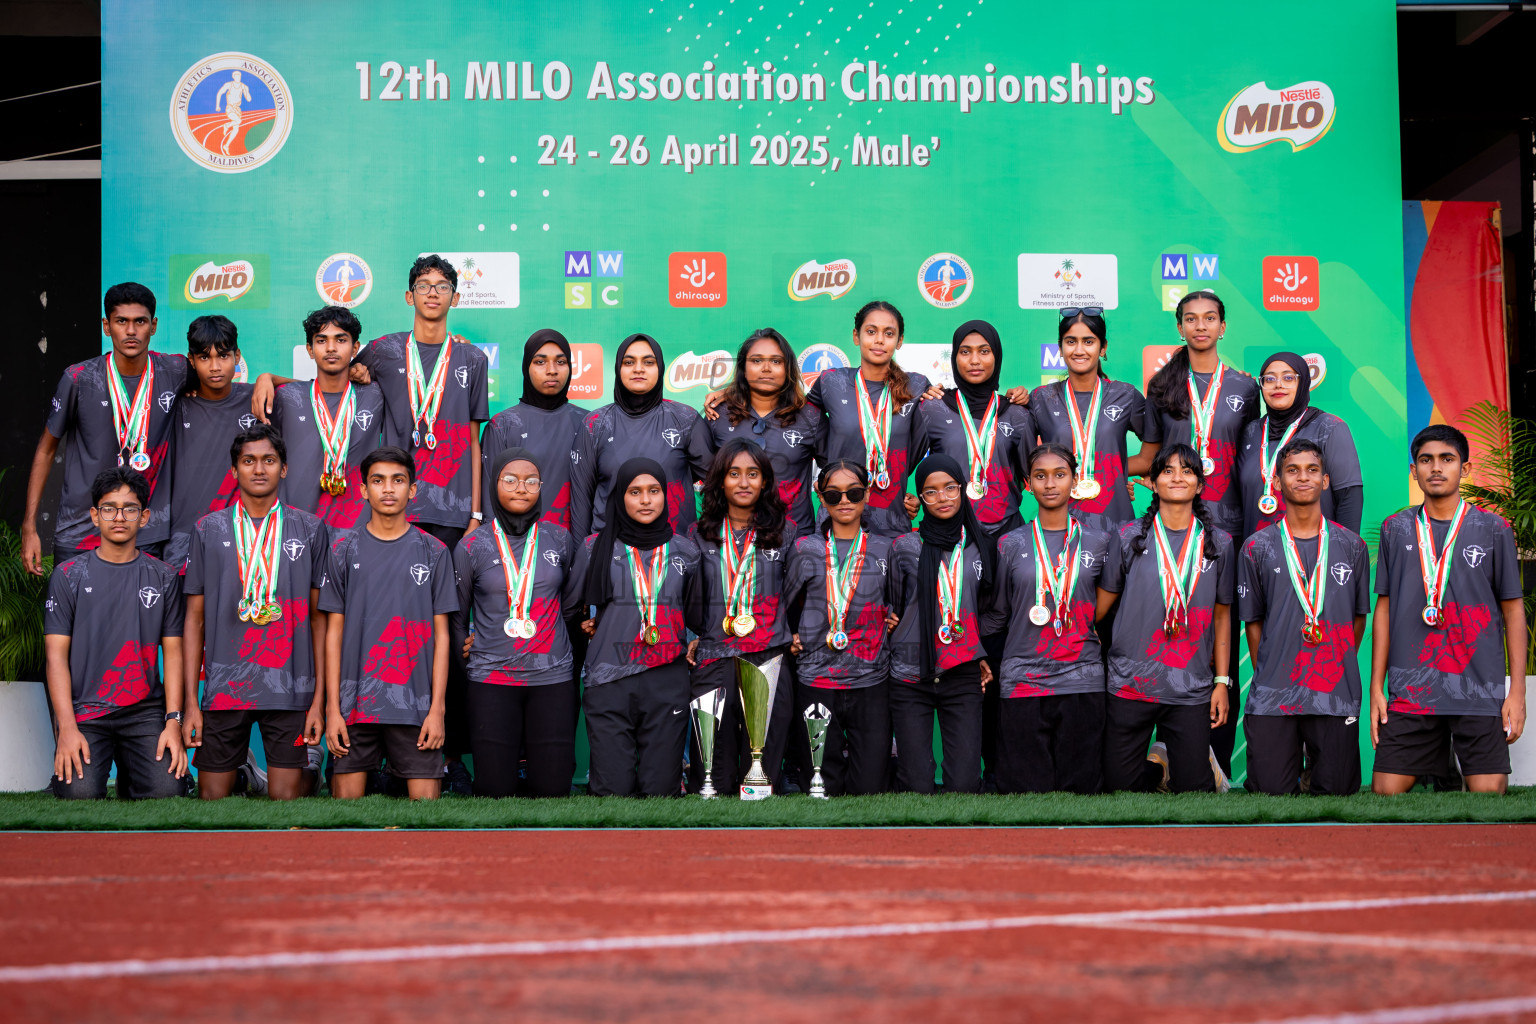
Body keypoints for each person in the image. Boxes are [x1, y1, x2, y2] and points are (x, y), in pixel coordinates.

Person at [1369, 425, 1527, 795]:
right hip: (1412, 689)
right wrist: (1378, 687)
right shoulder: (1396, 528)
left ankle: (1451, 774)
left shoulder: (1494, 528)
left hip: (1477, 686)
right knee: (1386, 793)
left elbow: (1513, 611)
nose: (1436, 468)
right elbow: (1385, 610)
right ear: (1414, 471)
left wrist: (1516, 692)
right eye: (1426, 460)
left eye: (1447, 459)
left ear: (1465, 469)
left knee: (1488, 795)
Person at [182, 425, 329, 800]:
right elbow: (194, 619)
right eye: (249, 461)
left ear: (284, 468)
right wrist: (190, 704)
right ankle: (245, 770)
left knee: (287, 797)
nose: (259, 469)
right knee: (212, 796)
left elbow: (319, 619)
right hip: (225, 686)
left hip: (289, 686)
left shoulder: (310, 529)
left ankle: (309, 768)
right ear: (234, 470)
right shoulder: (207, 529)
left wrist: (318, 701)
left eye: (269, 460)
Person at [1144, 289, 1257, 779]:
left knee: (1219, 637)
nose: (1200, 327)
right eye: (1190, 319)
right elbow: (1150, 456)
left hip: (1226, 529)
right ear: (1180, 328)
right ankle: (1170, 752)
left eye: (1210, 318)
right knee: (1167, 630)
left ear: (1224, 326)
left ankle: (1215, 759)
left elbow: (1259, 462)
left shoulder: (1247, 388)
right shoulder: (1161, 387)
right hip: (1171, 529)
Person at [321, 447, 458, 800]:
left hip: (414, 706)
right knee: (345, 816)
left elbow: (442, 637)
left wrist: (437, 710)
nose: (388, 489)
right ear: (364, 489)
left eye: (398, 481)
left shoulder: (434, 551)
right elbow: (333, 634)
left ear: (412, 490)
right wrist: (332, 709)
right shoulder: (342, 549)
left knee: (427, 814)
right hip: (354, 708)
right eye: (378, 481)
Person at [23, 283, 188, 574]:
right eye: (121, 321)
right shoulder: (79, 378)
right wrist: (30, 526)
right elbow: (46, 450)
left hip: (146, 534)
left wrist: (268, 379)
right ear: (106, 326)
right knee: (77, 619)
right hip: (82, 531)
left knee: (141, 621)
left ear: (154, 326)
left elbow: (224, 387)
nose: (131, 330)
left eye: (140, 321)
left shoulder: (175, 371)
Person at [44, 466, 187, 799]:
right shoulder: (68, 576)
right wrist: (66, 727)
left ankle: (134, 771)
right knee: (78, 795)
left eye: (130, 509)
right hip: (85, 711)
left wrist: (173, 721)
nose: (119, 517)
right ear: (95, 515)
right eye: (109, 508)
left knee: (168, 790)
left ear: (145, 516)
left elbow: (175, 654)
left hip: (144, 711)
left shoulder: (164, 578)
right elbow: (55, 658)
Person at [1238, 438, 1371, 796]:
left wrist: (1333, 659)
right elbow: (1254, 623)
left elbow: (1357, 619)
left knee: (1338, 792)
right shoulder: (1256, 547)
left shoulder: (1352, 546)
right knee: (1269, 792)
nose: (1303, 478)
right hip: (1274, 692)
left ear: (1325, 481)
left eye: (1313, 470)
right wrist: (1275, 664)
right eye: (1292, 470)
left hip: (1334, 690)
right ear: (1277, 481)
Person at [1100, 444, 1235, 793]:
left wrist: (1222, 680)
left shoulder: (1219, 543)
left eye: (1187, 471)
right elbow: (1104, 602)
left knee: (1194, 791)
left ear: (1200, 485)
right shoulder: (1128, 537)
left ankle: (1198, 764)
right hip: (1131, 681)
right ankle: (1161, 768)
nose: (1177, 477)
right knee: (1120, 787)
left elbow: (1223, 615)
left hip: (1189, 685)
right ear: (1153, 482)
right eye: (1168, 471)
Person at [452, 449, 583, 798]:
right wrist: (467, 656)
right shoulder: (472, 546)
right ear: (495, 485)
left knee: (552, 790)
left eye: (530, 481)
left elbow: (569, 606)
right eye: (510, 480)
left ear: (542, 487)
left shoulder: (559, 539)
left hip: (552, 675)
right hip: (490, 676)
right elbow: (456, 616)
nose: (521, 488)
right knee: (494, 789)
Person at [990, 444, 1120, 794]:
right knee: (1025, 793)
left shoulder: (1100, 542)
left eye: (1060, 475)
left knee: (1080, 792)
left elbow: (1103, 605)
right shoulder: (1009, 544)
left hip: (1082, 676)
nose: (1050, 484)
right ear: (1027, 484)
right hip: (1023, 678)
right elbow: (1001, 613)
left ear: (1074, 482)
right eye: (1040, 476)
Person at [574, 458, 704, 796]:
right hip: (609, 678)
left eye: (654, 491)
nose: (645, 500)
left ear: (665, 496)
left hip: (666, 677)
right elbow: (571, 609)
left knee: (660, 793)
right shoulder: (594, 548)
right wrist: (591, 624)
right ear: (620, 497)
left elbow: (696, 616)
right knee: (612, 792)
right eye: (635, 492)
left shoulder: (686, 551)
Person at [686, 440, 798, 795]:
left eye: (753, 473)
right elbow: (687, 596)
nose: (744, 482)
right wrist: (692, 633)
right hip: (714, 654)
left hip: (768, 654)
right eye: (734, 474)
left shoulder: (787, 533)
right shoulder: (698, 534)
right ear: (719, 481)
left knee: (760, 774)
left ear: (765, 481)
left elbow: (796, 595)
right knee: (713, 779)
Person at [783, 461, 897, 795]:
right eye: (834, 495)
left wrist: (891, 616)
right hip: (816, 677)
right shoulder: (806, 549)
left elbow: (897, 601)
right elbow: (785, 603)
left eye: (854, 493)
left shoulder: (885, 548)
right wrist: (789, 635)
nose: (844, 501)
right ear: (821, 498)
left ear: (867, 496)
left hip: (871, 678)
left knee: (869, 788)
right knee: (820, 786)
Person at [888, 454, 996, 794]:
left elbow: (994, 610)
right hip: (909, 673)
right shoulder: (904, 547)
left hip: (962, 671)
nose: (942, 498)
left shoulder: (982, 547)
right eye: (930, 492)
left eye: (950, 487)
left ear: (962, 489)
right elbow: (894, 604)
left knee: (964, 785)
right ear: (920, 498)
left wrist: (975, 649)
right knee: (917, 786)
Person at [804, 302, 930, 538]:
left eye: (889, 333)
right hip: (837, 517)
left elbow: (929, 436)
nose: (879, 340)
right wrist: (831, 463)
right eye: (871, 332)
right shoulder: (832, 381)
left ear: (900, 341)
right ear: (856, 336)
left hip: (891, 517)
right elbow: (795, 416)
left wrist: (900, 481)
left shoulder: (917, 386)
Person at [1027, 309, 1157, 533]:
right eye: (1070, 341)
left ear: (1103, 347)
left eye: (1088, 341)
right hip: (1060, 520)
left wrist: (1114, 472)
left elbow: (1151, 456)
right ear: (1060, 348)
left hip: (1114, 519)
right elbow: (1023, 459)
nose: (1079, 350)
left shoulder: (1125, 395)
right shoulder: (1041, 398)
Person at [910, 320, 1035, 536]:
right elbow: (900, 462)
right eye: (965, 352)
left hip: (1006, 532)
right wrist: (901, 496)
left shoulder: (1017, 414)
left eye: (984, 351)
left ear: (997, 356)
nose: (975, 360)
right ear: (954, 358)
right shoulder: (933, 408)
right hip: (950, 532)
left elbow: (1037, 473)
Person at [271, 306, 388, 530]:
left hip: (357, 528)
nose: (331, 348)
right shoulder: (287, 397)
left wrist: (455, 345)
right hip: (297, 528)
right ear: (309, 349)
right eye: (322, 340)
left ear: (355, 348)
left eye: (341, 340)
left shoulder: (375, 395)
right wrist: (267, 379)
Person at [584, 334, 712, 535]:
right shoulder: (595, 423)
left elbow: (717, 487)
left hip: (674, 554)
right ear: (618, 368)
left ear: (660, 367)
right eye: (629, 362)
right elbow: (581, 499)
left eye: (648, 362)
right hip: (610, 554)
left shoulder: (686, 419)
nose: (638, 369)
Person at [703, 328, 824, 535]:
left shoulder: (810, 416)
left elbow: (838, 470)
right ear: (743, 367)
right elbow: (705, 475)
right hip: (732, 538)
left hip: (794, 538)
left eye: (776, 361)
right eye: (757, 361)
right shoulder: (718, 414)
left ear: (788, 368)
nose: (766, 368)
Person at [480, 329, 597, 539]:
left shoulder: (590, 423)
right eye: (540, 362)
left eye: (561, 362)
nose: (552, 370)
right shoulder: (502, 425)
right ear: (526, 367)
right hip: (515, 552)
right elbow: (490, 502)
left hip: (578, 547)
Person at [1237, 351, 1363, 539]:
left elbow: (1349, 497)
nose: (1278, 384)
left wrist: (1345, 550)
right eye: (1269, 379)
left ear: (1303, 383)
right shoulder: (1251, 432)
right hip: (1257, 553)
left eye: (1288, 377)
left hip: (1317, 552)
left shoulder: (1329, 427)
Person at [163, 315, 254, 573]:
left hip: (244, 536)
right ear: (191, 361)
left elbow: (308, 393)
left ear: (237, 356)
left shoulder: (256, 397)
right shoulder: (174, 405)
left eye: (223, 356)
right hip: (183, 537)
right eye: (204, 358)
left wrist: (270, 379)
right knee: (186, 613)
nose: (215, 366)